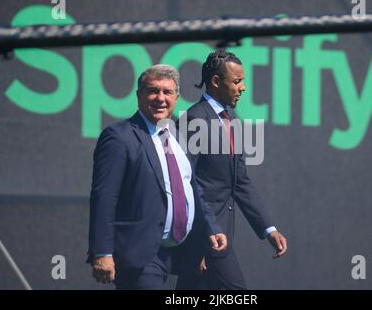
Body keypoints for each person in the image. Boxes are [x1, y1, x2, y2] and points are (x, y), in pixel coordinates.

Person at [87, 64, 227, 290]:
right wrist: (102, 252)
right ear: (138, 95)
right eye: (153, 91)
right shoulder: (119, 137)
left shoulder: (176, 137)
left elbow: (191, 188)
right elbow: (104, 197)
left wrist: (211, 228)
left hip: (184, 254)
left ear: (177, 97)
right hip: (140, 254)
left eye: (167, 92)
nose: (160, 98)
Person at [176, 50, 287, 290]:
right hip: (206, 235)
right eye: (237, 81)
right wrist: (204, 236)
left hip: (219, 235)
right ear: (216, 82)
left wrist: (269, 229)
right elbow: (185, 182)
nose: (243, 87)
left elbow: (241, 182)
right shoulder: (194, 119)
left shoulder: (232, 120)